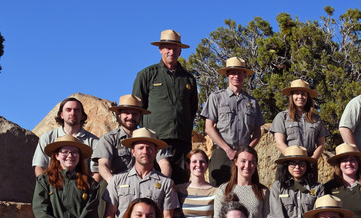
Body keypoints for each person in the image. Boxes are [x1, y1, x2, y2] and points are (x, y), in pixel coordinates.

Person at [133, 30, 198, 182]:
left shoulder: (188, 79)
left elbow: (192, 108)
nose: (171, 52)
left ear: (180, 51)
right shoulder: (147, 75)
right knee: (154, 184)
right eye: (167, 48)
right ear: (160, 49)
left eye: (175, 48)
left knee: (181, 185)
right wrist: (147, 134)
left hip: (181, 142)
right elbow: (137, 108)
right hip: (156, 141)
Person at [103, 128, 179, 218]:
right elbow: (109, 214)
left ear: (156, 152)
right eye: (141, 148)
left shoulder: (166, 183)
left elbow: (168, 217)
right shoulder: (117, 180)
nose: (145, 152)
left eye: (149, 148)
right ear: (133, 151)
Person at [202, 57, 264, 184]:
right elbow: (208, 128)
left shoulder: (252, 102)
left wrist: (247, 150)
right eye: (233, 73)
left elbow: (257, 132)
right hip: (222, 152)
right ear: (227, 75)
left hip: (244, 155)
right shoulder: (216, 98)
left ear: (245, 75)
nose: (237, 76)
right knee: (218, 191)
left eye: (240, 73)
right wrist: (228, 149)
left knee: (246, 190)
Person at [95, 94, 172, 182]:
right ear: (119, 114)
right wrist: (114, 184)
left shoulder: (151, 137)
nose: (130, 117)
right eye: (127, 113)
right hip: (118, 182)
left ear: (140, 116)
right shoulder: (109, 138)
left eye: (135, 114)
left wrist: (163, 183)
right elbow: (103, 165)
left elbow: (165, 163)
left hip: (147, 182)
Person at [269, 79, 327, 183]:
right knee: (284, 194)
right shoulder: (282, 117)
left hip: (309, 162)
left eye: (303, 94)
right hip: (288, 162)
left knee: (310, 194)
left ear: (308, 97)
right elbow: (279, 143)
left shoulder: (316, 119)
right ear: (291, 96)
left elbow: (321, 144)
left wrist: (311, 161)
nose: (300, 97)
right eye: (296, 93)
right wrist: (293, 160)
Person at [34, 97, 99, 181]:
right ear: (61, 115)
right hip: (53, 187)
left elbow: (96, 172)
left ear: (82, 116)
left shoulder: (94, 141)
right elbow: (40, 167)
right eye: (68, 110)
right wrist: (47, 189)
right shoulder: (47, 138)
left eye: (77, 110)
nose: (73, 113)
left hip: (82, 188)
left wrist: (87, 191)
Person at [218, 147, 271, 218]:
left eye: (252, 162)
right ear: (235, 162)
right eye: (243, 161)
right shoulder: (224, 189)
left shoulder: (263, 191)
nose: (247, 165)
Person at [177, 150, 218, 218]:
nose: (198, 165)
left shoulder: (216, 192)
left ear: (207, 165)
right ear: (187, 165)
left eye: (202, 162)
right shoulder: (179, 189)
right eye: (194, 161)